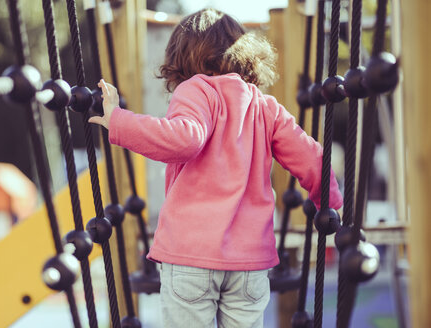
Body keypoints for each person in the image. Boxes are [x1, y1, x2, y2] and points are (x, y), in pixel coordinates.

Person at [89, 8, 343, 328]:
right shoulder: (265, 107)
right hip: (249, 264)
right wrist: (329, 202)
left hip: (191, 257)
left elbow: (183, 139)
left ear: (182, 57)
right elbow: (310, 157)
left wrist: (119, 121)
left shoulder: (195, 90)